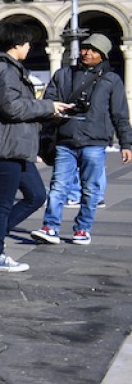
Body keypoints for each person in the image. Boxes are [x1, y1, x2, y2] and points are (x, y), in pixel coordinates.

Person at [0, 24, 70, 272]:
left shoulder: (12, 70)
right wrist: (48, 107)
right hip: (5, 148)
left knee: (37, 195)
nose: (29, 48)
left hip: (17, 147)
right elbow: (12, 108)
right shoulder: (5, 70)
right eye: (27, 43)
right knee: (2, 203)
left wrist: (52, 112)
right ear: (16, 45)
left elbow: (20, 107)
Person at [30, 33, 131, 246]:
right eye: (85, 48)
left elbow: (120, 114)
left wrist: (126, 144)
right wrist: (54, 110)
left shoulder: (111, 80)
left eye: (94, 50)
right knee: (58, 186)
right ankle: (50, 227)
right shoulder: (64, 74)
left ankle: (83, 229)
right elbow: (49, 99)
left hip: (94, 141)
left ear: (102, 55)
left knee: (91, 188)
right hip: (66, 139)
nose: (87, 53)